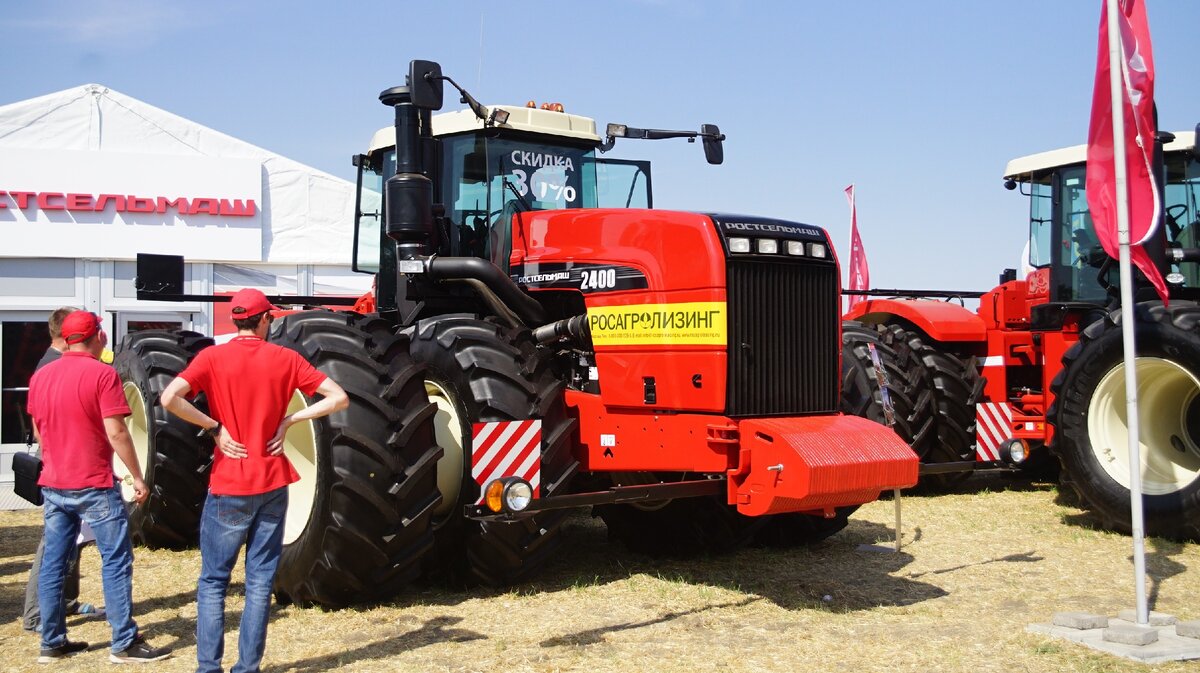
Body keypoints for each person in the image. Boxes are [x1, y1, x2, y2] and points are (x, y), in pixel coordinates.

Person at [161, 289, 348, 673]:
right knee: (259, 583)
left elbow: (169, 398)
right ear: (266, 319)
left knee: (213, 581)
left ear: (235, 319)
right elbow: (338, 398)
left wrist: (214, 427)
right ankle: (247, 668)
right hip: (272, 482)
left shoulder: (211, 357)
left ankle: (208, 667)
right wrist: (293, 419)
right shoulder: (286, 358)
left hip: (228, 483)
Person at [26, 311, 171, 664]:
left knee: (54, 564)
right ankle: (124, 642)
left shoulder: (41, 375)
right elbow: (117, 431)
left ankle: (52, 641)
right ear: (97, 336)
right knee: (116, 562)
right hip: (93, 483)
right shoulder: (102, 374)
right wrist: (138, 476)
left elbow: (38, 432)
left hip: (55, 484)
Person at [23, 306, 105, 634]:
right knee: (52, 546)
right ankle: (36, 615)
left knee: (70, 541)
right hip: (63, 472)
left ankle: (63, 602)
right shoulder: (53, 366)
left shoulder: (53, 363)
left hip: (65, 469)